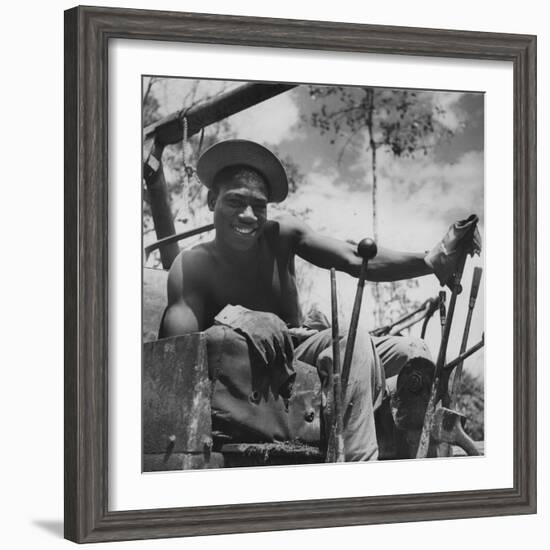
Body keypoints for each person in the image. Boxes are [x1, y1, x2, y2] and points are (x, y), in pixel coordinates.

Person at [160, 139, 480, 461]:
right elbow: (174, 359)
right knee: (351, 344)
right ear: (211, 200)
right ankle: (357, 467)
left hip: (300, 344)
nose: (248, 215)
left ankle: (415, 458)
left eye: (259, 205)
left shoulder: (282, 234)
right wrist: (234, 317)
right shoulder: (191, 267)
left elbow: (356, 258)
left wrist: (430, 260)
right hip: (255, 364)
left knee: (413, 352)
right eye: (235, 201)